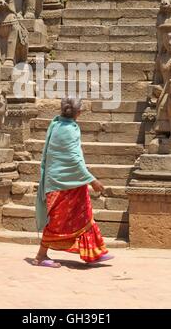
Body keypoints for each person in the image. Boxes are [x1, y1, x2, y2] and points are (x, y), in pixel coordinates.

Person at [33, 97, 114, 268]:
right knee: (56, 221)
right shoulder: (69, 130)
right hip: (61, 184)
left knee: (85, 216)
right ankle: (40, 256)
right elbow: (73, 158)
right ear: (79, 113)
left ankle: (94, 253)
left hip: (66, 181)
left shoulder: (55, 124)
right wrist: (92, 180)